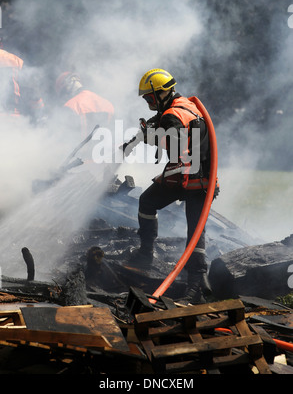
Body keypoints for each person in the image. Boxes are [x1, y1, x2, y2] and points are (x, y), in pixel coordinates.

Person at [127, 68, 219, 304]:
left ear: (161, 94)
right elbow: (164, 121)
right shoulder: (185, 105)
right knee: (151, 203)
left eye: (150, 98)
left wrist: (150, 137)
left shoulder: (173, 115)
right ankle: (148, 254)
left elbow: (173, 139)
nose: (148, 102)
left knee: (194, 234)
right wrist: (139, 135)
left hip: (191, 178)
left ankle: (195, 287)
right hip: (193, 174)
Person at [55, 71, 114, 137]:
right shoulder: (108, 104)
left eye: (63, 94)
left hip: (82, 147)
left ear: (66, 88)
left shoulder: (70, 106)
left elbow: (64, 139)